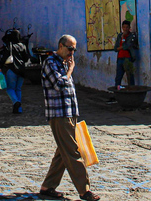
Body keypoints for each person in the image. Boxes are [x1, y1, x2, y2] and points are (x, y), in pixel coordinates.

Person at [39, 35, 100, 201]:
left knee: (63, 152)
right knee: (73, 152)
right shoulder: (51, 63)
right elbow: (59, 85)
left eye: (74, 49)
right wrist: (70, 70)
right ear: (61, 46)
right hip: (59, 114)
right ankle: (84, 190)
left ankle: (47, 187)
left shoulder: (64, 63)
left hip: (69, 113)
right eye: (69, 48)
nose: (72, 52)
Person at [0, 29, 30, 113]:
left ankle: (16, 102)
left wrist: (0, 66)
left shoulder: (9, 46)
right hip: (22, 70)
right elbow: (26, 58)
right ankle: (19, 109)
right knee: (18, 89)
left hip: (12, 69)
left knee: (10, 89)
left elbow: (4, 58)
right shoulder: (23, 45)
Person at [114, 20, 138, 88]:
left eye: (127, 27)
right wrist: (120, 46)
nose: (125, 29)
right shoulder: (119, 36)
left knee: (130, 77)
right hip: (120, 58)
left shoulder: (131, 36)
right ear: (122, 27)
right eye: (124, 27)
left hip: (128, 58)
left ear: (129, 28)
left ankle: (131, 92)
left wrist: (123, 38)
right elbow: (115, 48)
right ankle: (117, 91)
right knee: (118, 77)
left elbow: (126, 46)